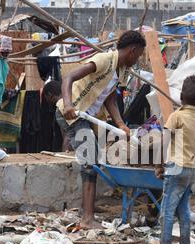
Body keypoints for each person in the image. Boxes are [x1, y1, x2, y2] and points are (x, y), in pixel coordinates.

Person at [56, 30, 146, 229]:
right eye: (139, 55)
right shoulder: (104, 60)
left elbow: (110, 98)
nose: (138, 59)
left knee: (92, 160)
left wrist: (120, 124)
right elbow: (69, 77)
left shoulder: (120, 70)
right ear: (132, 50)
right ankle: (87, 219)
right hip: (70, 114)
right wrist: (69, 104)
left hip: (85, 118)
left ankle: (85, 210)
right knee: (91, 160)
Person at [154, 75, 195, 244]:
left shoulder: (176, 117)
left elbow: (164, 142)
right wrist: (190, 161)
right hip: (189, 169)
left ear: (181, 96)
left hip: (175, 167)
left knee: (167, 210)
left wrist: (160, 166)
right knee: (184, 209)